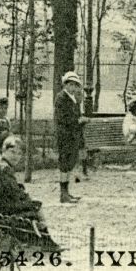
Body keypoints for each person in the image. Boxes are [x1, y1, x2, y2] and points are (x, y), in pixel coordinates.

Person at [0, 135, 58, 249]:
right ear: (3, 150)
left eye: (19, 154)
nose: (16, 156)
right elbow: (15, 193)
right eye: (12, 152)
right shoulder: (3, 168)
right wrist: (29, 201)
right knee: (36, 207)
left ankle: (39, 239)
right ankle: (47, 242)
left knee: (30, 204)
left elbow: (11, 189)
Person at [55, 71, 86, 203]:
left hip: (72, 135)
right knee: (64, 163)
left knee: (70, 163)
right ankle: (63, 194)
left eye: (75, 85)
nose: (73, 87)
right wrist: (78, 120)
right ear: (65, 85)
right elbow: (62, 118)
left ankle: (67, 192)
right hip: (65, 135)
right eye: (71, 85)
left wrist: (80, 120)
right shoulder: (61, 98)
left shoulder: (73, 98)